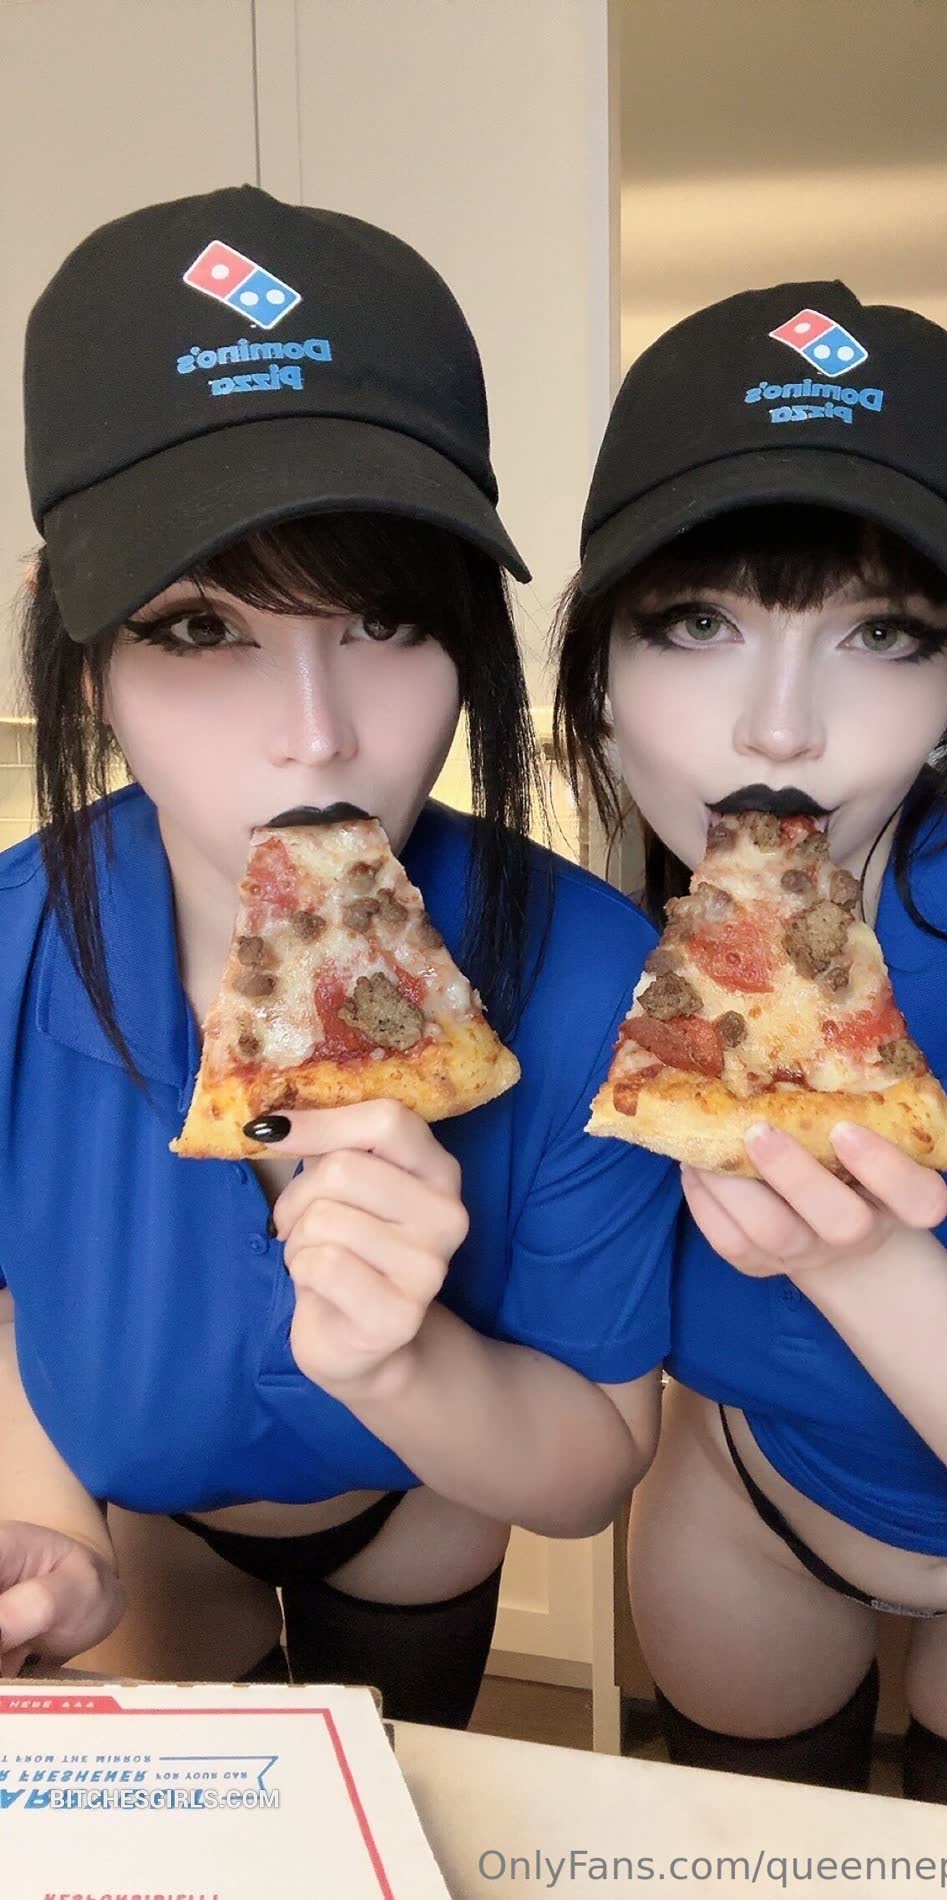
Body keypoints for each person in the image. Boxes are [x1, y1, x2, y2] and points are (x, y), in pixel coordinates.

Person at [0, 186, 678, 1724]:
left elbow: (589, 1469)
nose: (316, 736)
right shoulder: (10, 950)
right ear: (78, 647)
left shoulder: (597, 976)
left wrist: (401, 1367)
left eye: (384, 619)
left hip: (431, 1507)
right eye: (198, 628)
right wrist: (42, 1523)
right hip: (139, 1531)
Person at [554, 280, 947, 1816]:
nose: (777, 729)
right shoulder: (566, 954)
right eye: (696, 623)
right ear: (598, 662)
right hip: (745, 1516)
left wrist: (860, 1263)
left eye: (881, 632)